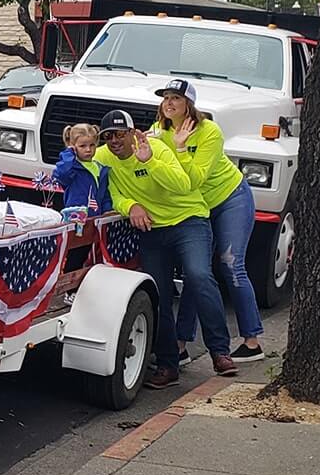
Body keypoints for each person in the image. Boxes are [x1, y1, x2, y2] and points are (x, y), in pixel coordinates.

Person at [95, 108, 232, 385]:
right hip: (153, 230)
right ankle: (168, 365)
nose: (114, 141)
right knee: (158, 294)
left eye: (120, 134)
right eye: (108, 136)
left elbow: (183, 184)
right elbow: (112, 194)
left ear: (133, 133)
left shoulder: (155, 148)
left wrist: (150, 162)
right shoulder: (103, 157)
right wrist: (131, 206)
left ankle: (220, 352)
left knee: (199, 276)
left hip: (188, 220)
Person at [158, 79, 265, 364]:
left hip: (230, 198)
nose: (169, 103)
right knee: (197, 272)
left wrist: (181, 148)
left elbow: (194, 180)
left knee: (231, 263)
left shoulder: (209, 131)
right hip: (199, 208)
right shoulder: (159, 132)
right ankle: (180, 345)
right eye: (165, 98)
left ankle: (252, 341)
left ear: (189, 104)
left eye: (176, 98)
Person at [51, 122, 113, 214]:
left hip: (96, 218)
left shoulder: (100, 168)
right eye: (82, 146)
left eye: (92, 145)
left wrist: (107, 210)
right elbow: (62, 175)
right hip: (75, 217)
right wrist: (68, 153)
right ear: (73, 146)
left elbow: (105, 196)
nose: (88, 150)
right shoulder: (72, 167)